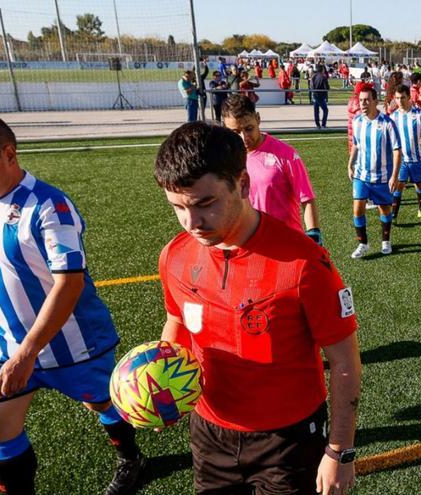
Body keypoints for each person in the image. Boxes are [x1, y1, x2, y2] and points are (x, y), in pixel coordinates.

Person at [154, 122, 361, 495]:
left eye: (205, 204)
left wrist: (339, 451)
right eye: (178, 207)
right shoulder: (174, 256)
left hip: (288, 441)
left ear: (243, 185)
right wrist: (163, 385)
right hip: (209, 432)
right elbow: (176, 322)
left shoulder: (305, 263)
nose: (192, 222)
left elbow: (345, 361)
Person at [0, 113, 144, 495]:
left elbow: (70, 284)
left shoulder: (50, 207)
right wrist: (16, 350)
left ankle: (131, 459)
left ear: (8, 153)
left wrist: (28, 353)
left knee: (102, 404)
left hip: (74, 343)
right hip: (8, 345)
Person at [221, 95, 323, 245]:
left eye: (249, 129)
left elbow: (306, 198)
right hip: (249, 243)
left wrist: (314, 235)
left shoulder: (285, 155)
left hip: (286, 241)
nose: (244, 138)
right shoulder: (226, 158)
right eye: (235, 132)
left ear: (258, 118)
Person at [348, 86, 402, 258]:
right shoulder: (357, 121)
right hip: (361, 175)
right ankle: (363, 243)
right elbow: (356, 144)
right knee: (357, 209)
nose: (362, 104)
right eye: (361, 100)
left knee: (385, 210)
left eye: (366, 100)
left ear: (375, 102)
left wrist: (394, 175)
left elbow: (397, 150)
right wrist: (350, 164)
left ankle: (386, 240)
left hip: (382, 177)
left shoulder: (387, 123)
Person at [390, 84, 421, 219]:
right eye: (397, 98)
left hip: (417, 159)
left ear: (409, 97)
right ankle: (394, 215)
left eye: (402, 97)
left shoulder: (419, 114)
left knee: (418, 184)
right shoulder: (393, 116)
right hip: (401, 160)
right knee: (399, 186)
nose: (400, 101)